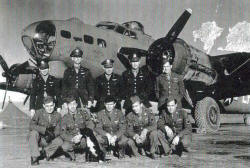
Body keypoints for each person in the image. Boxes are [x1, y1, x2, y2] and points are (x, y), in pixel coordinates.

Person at [59, 95, 95, 161]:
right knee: (64, 146)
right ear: (67, 105)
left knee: (92, 137)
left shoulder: (83, 113)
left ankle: (90, 154)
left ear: (76, 104)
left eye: (74, 104)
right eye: (70, 104)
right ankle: (72, 155)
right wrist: (72, 139)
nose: (72, 106)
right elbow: (62, 133)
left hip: (83, 138)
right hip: (72, 140)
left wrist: (81, 135)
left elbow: (90, 125)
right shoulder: (64, 117)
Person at [28, 96, 62, 165]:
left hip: (49, 139)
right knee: (33, 133)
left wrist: (53, 135)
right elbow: (31, 126)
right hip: (39, 139)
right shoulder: (38, 113)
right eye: (47, 106)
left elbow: (59, 128)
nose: (49, 108)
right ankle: (34, 157)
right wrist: (44, 130)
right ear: (43, 106)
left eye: (51, 106)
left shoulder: (58, 115)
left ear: (54, 105)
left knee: (60, 140)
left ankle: (47, 153)